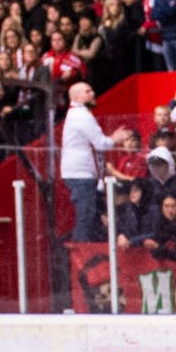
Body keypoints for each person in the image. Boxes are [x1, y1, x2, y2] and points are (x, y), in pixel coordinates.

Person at [60, 80, 112, 242]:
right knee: (86, 216)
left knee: (91, 216)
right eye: (88, 92)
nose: (93, 94)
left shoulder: (76, 114)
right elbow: (101, 143)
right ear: (77, 97)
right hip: (80, 173)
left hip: (79, 171)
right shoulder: (82, 116)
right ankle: (82, 255)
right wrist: (115, 139)